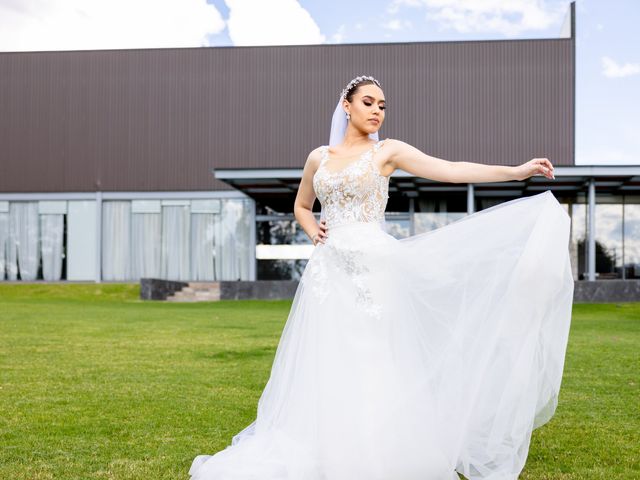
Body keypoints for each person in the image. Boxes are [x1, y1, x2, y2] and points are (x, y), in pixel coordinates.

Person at [188, 75, 574, 480]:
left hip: (374, 271)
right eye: (368, 102)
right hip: (327, 275)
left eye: (382, 105)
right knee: (326, 360)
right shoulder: (318, 157)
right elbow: (302, 205)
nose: (377, 111)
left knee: (373, 356)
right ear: (347, 105)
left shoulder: (387, 152)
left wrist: (515, 172)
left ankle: (377, 453)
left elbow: (449, 170)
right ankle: (326, 445)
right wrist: (310, 228)